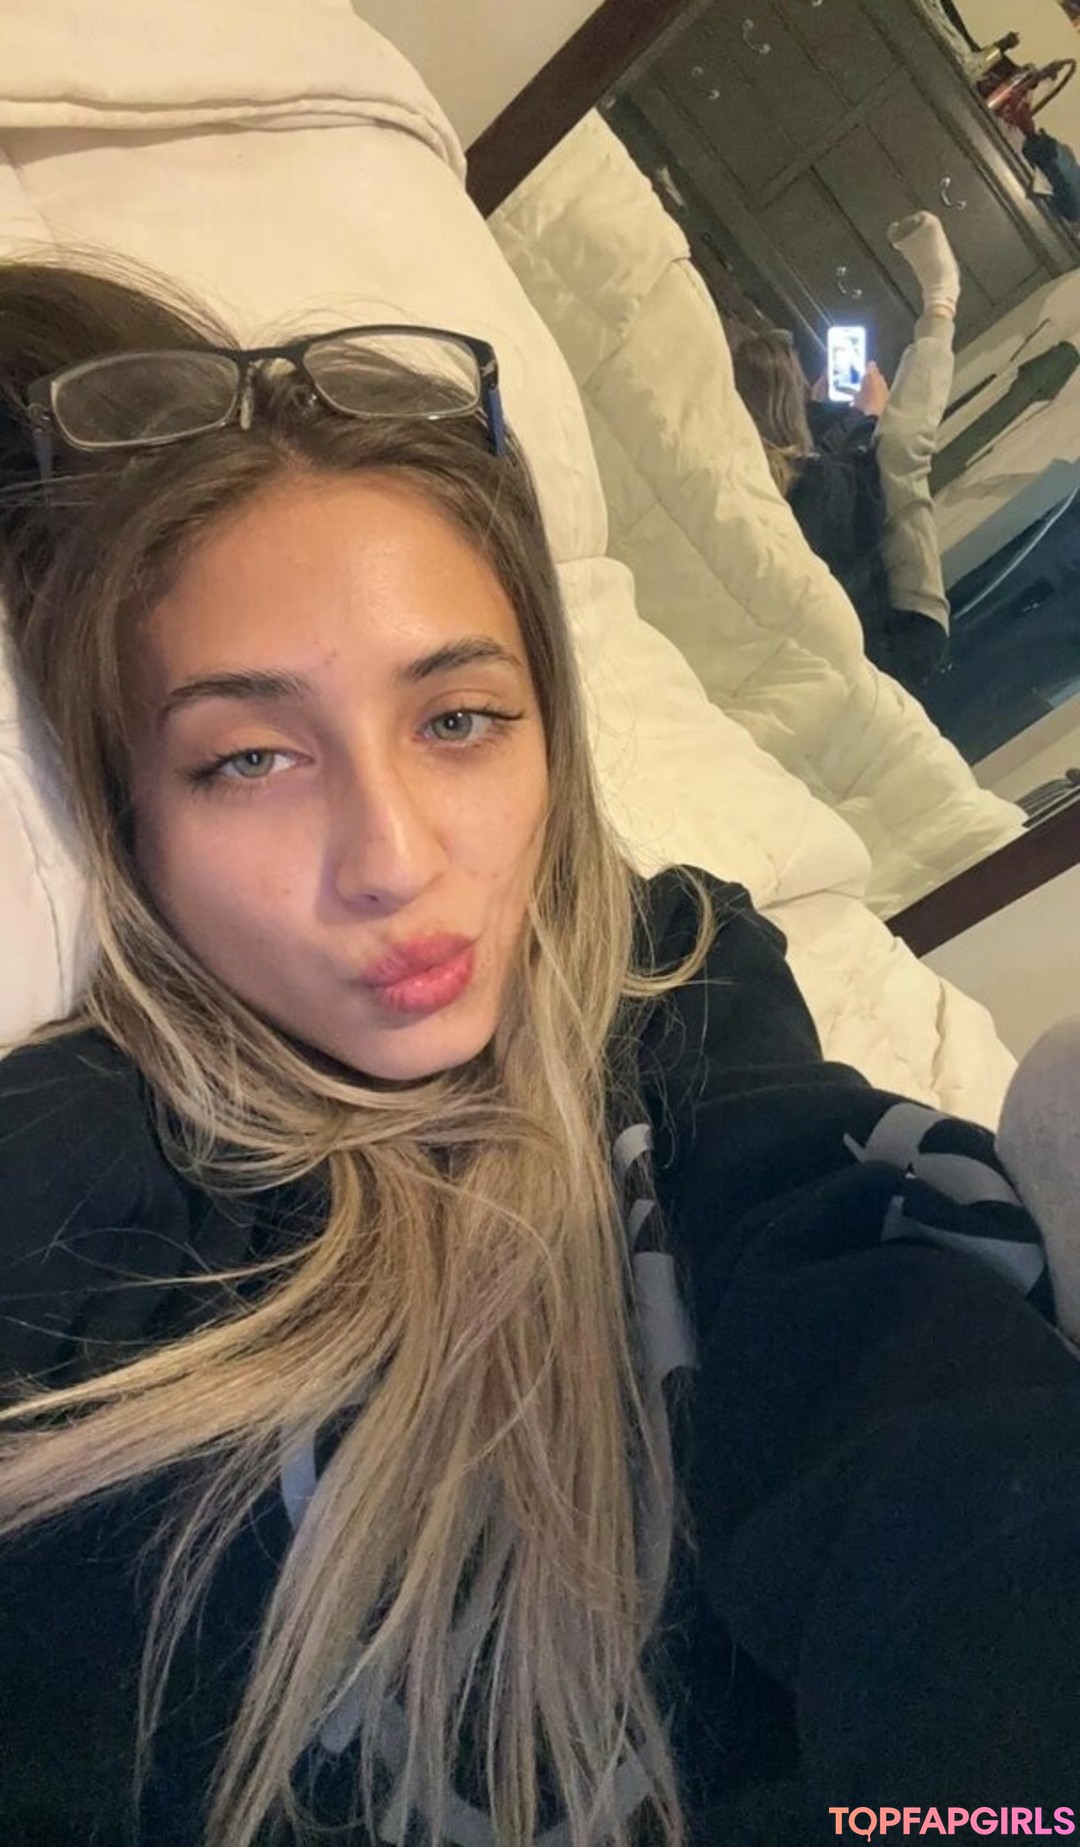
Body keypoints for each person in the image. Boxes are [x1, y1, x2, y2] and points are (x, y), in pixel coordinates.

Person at [0, 258, 1079, 1847]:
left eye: (459, 719)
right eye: (251, 757)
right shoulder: (77, 1167)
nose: (392, 859)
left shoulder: (674, 983)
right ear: (123, 820)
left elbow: (896, 1377)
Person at [733, 212, 961, 695]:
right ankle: (941, 303)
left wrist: (823, 413)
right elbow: (859, 493)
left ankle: (939, 309)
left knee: (882, 452)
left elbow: (820, 472)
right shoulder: (812, 488)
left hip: (861, 616)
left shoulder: (775, 474)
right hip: (905, 632)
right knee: (898, 451)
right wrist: (867, 416)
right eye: (800, 391)